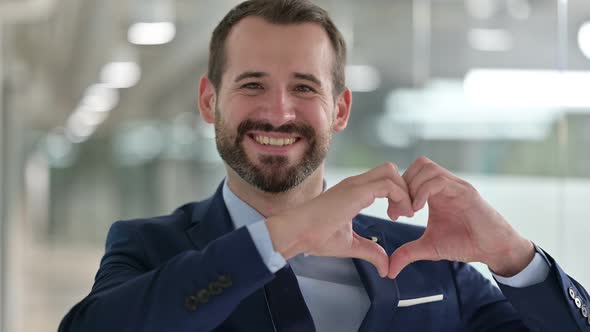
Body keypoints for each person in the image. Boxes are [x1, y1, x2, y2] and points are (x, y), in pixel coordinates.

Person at [59, 0, 589, 331]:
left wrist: (514, 257)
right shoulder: (150, 247)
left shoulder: (421, 254)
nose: (278, 110)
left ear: (339, 109)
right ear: (209, 101)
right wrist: (281, 236)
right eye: (252, 85)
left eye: (304, 87)